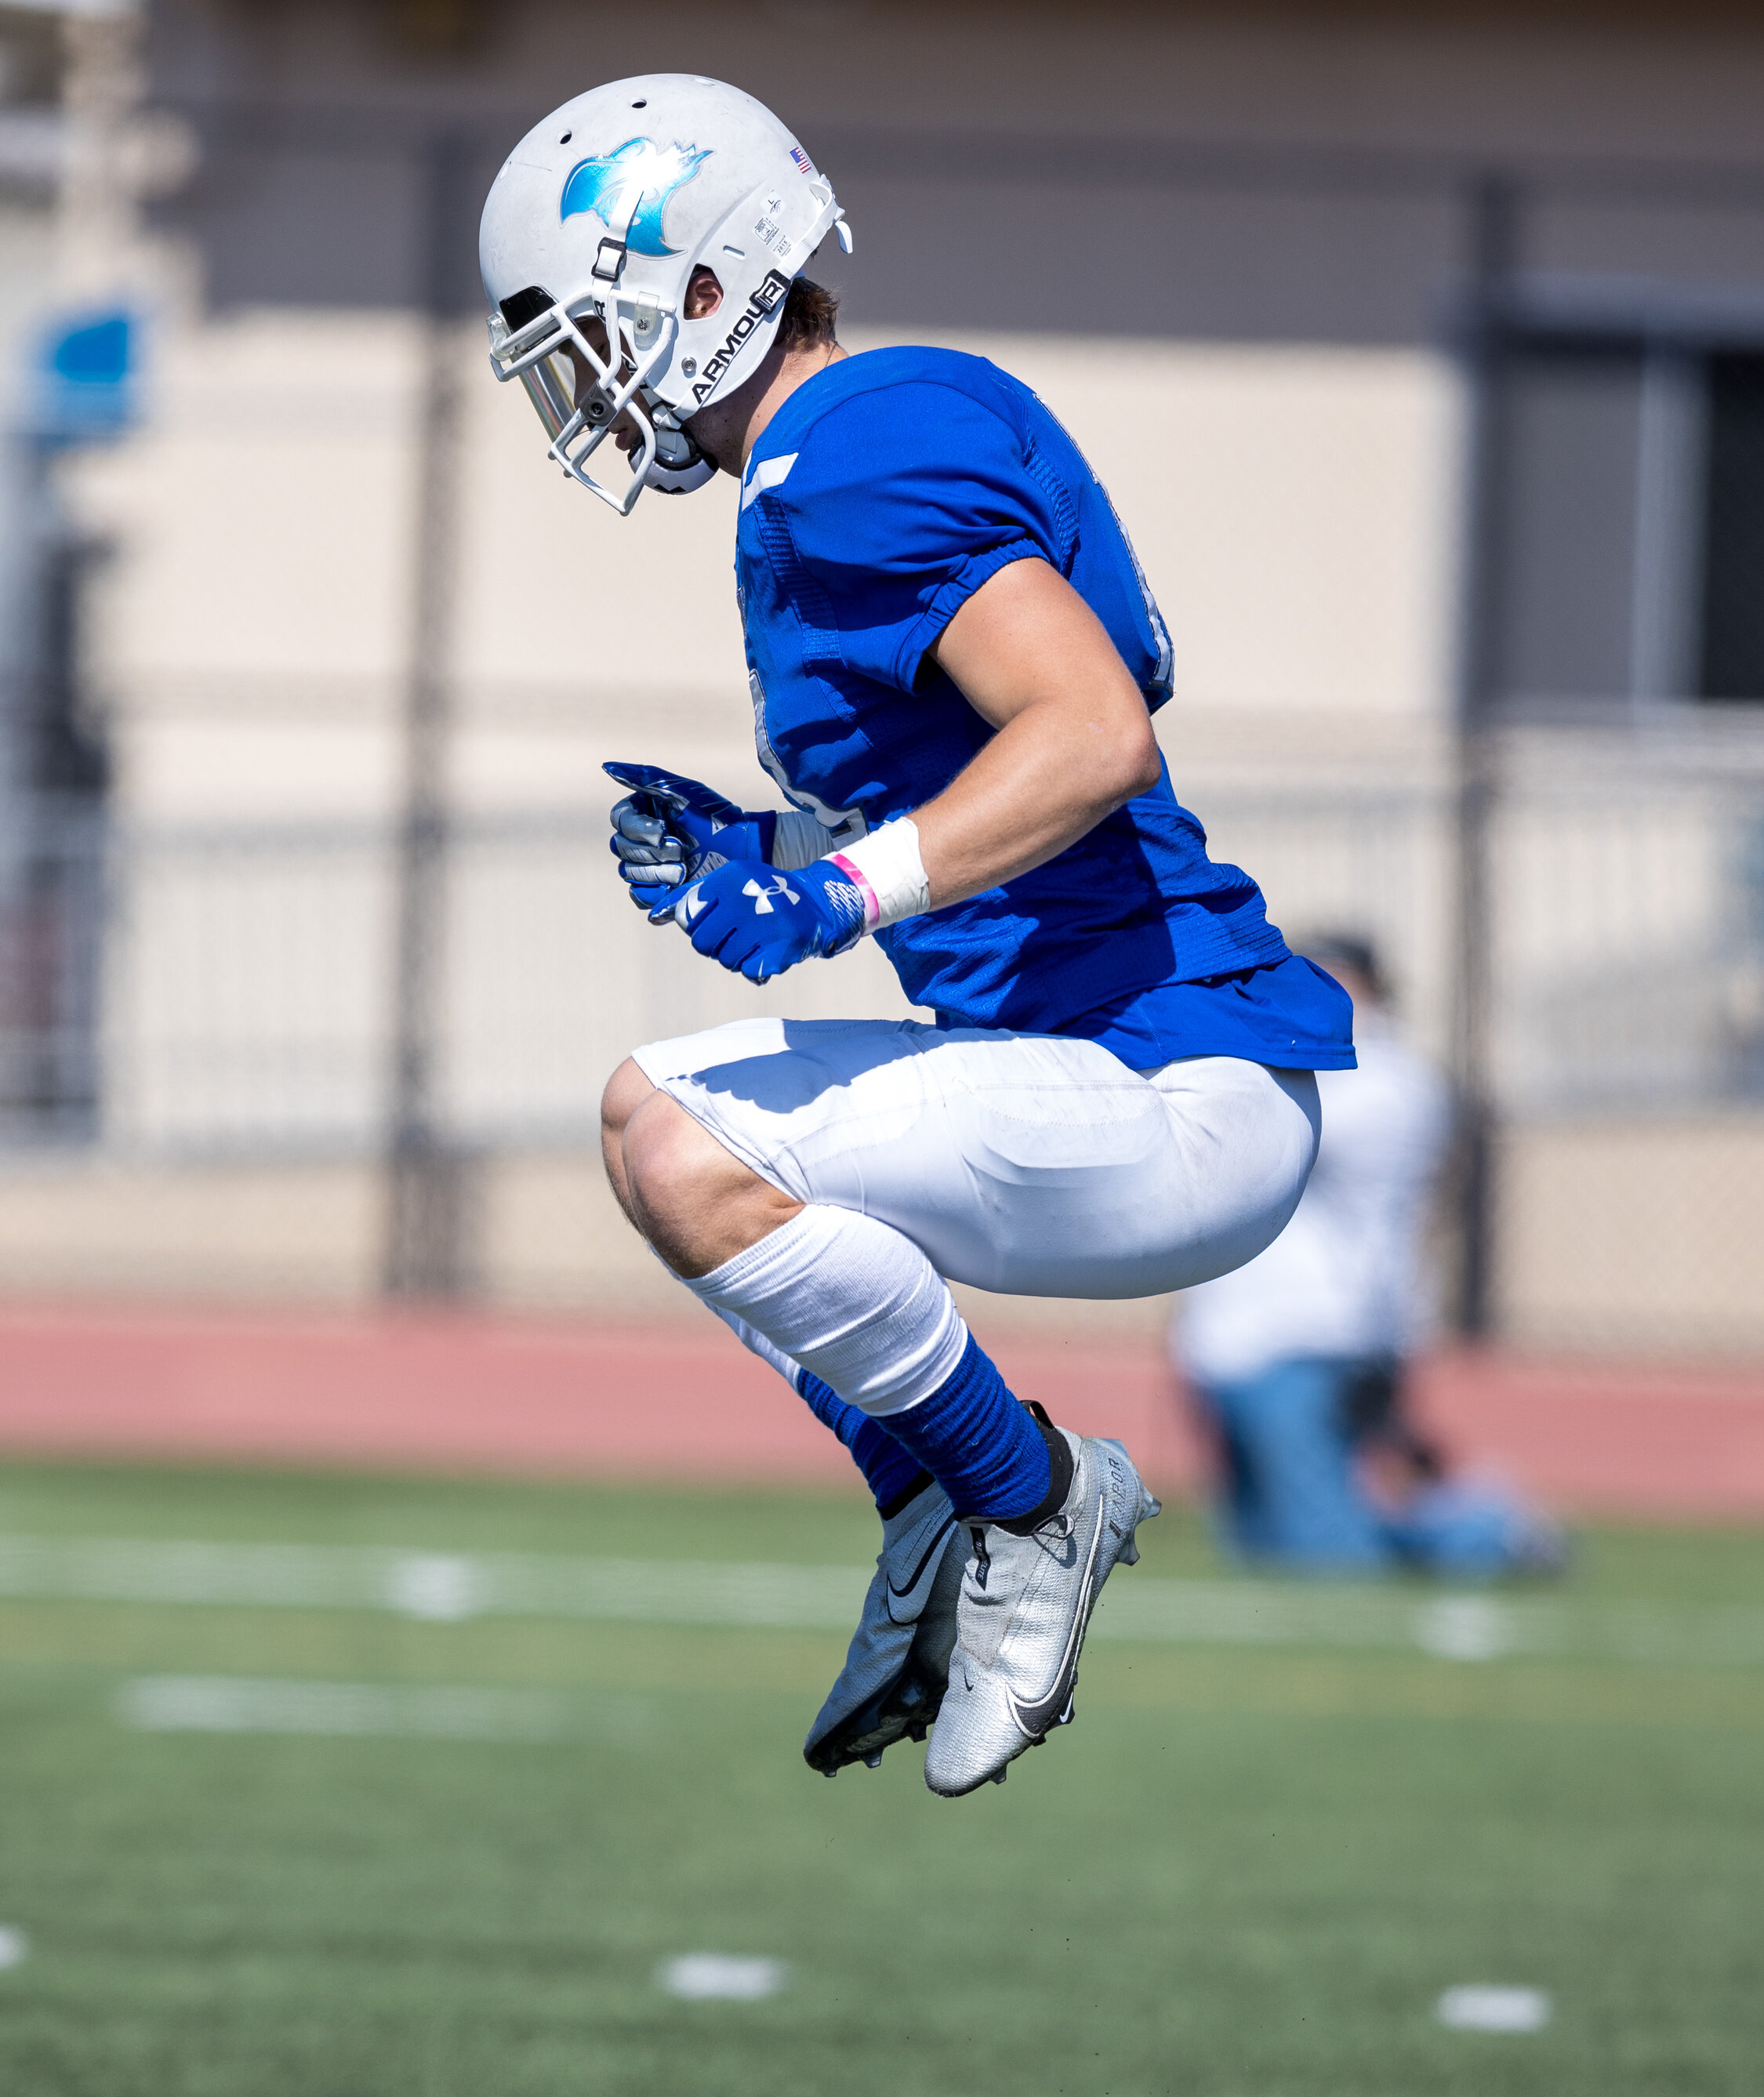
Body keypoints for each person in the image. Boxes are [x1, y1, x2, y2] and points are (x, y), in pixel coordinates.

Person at [479, 75, 1355, 1794]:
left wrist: (828, 894)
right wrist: (773, 841)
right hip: (1092, 1056)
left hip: (1174, 1075)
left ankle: (1024, 1501)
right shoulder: (841, 458)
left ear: (706, 284)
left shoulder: (851, 451)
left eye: (585, 331)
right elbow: (996, 760)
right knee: (669, 1153)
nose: (577, 383)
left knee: (678, 1135)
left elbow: (1094, 737)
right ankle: (939, 1507)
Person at [1170, 936, 1564, 1576]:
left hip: (1306, 1333)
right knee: (1259, 1545)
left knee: (1328, 1551)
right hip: (1233, 1337)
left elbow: (1249, 1136)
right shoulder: (1288, 1062)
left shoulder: (1386, 1078)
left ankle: (1492, 1531)